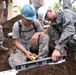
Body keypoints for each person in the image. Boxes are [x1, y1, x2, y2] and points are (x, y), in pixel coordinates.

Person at [8, 4, 49, 69]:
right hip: (23, 47)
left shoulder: (35, 22)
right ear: (22, 17)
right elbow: (16, 41)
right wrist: (25, 52)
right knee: (16, 65)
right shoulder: (17, 26)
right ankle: (13, 55)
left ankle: (41, 59)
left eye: (32, 19)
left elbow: (43, 31)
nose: (30, 21)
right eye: (28, 20)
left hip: (34, 44)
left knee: (45, 37)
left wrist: (37, 34)